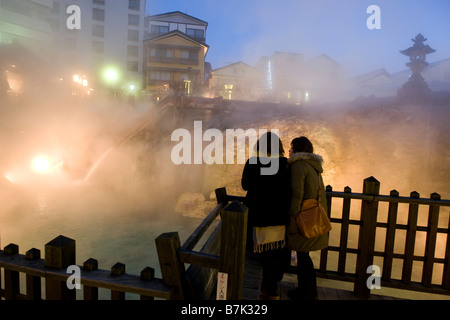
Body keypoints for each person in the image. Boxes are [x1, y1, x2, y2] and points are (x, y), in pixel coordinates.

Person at [241, 132, 291, 300]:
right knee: (275, 255)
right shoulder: (286, 164)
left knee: (254, 253)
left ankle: (252, 291)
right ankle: (272, 288)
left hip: (258, 214)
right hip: (278, 216)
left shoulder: (253, 163)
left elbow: (245, 185)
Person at [287, 136, 329, 300]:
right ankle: (307, 290)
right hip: (312, 214)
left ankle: (307, 292)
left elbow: (297, 194)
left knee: (303, 256)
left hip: (302, 217)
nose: (289, 151)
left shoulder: (299, 165)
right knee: (304, 256)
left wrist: (292, 214)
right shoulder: (315, 166)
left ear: (297, 150)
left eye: (291, 148)